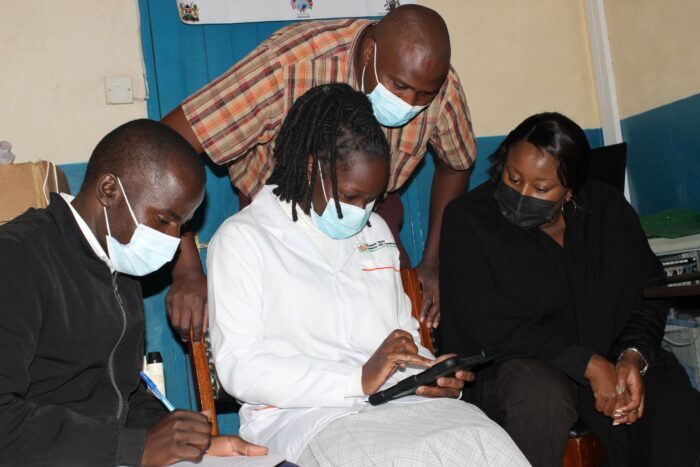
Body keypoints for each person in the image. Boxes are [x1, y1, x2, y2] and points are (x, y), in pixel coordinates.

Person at [206, 83, 528, 465]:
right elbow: (240, 369)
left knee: (485, 442)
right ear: (313, 167)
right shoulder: (244, 238)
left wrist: (429, 375)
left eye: (373, 198)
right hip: (303, 416)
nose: (363, 211)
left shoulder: (374, 231)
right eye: (352, 195)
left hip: (398, 402)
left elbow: (402, 339)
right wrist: (356, 380)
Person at [163, 4, 476, 341]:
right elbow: (167, 143)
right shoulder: (287, 66)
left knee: (397, 332)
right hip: (278, 224)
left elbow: (456, 162)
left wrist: (433, 262)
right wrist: (185, 266)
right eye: (399, 86)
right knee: (290, 337)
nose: (411, 103)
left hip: (373, 220)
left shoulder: (437, 83)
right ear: (370, 52)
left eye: (424, 95)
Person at [439, 112, 700, 467]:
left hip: (609, 354)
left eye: (541, 188)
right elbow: (488, 324)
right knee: (542, 393)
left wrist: (631, 357)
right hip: (515, 368)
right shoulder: (468, 220)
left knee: (674, 402)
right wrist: (587, 364)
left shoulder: (607, 211)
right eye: (512, 178)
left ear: (571, 189)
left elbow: (647, 293)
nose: (521, 194)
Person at [0, 120, 266, 466]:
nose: (172, 242)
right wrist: (133, 448)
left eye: (180, 226)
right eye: (163, 220)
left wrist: (188, 440)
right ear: (109, 190)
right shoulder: (18, 259)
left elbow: (118, 394)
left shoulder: (118, 266)